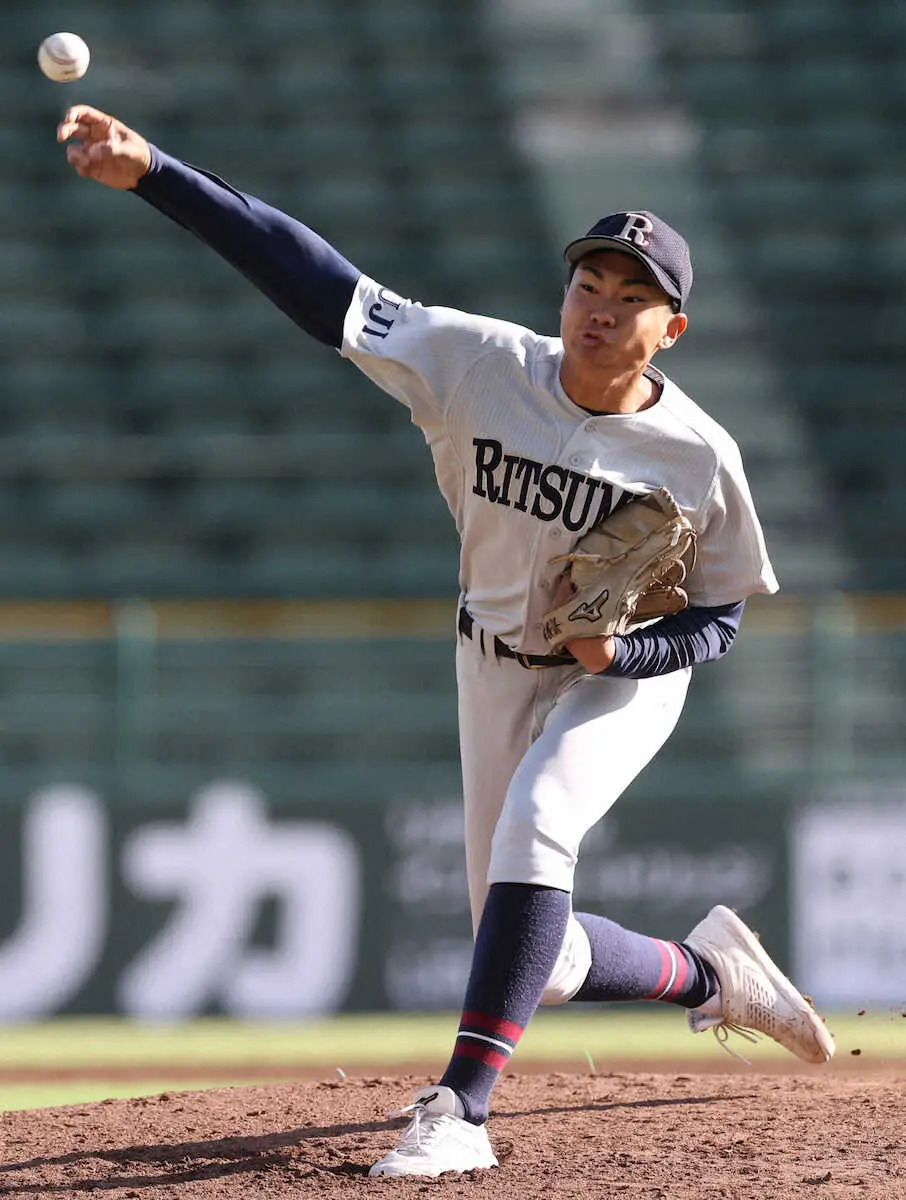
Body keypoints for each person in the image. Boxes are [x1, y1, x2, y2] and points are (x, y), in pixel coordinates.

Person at [58, 105, 834, 1179]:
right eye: (589, 284)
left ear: (673, 330)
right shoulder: (479, 363)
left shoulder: (700, 455)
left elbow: (726, 612)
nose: (600, 309)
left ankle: (461, 1110)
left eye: (632, 297)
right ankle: (708, 976)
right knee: (540, 958)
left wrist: (631, 659)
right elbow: (318, 282)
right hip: (491, 659)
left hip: (619, 678)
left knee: (541, 820)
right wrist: (156, 174)